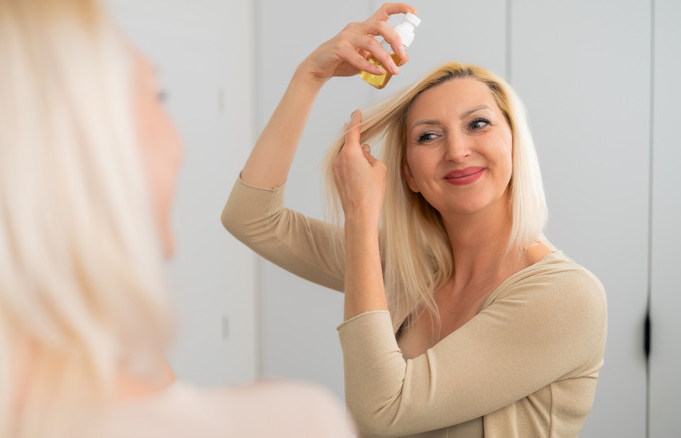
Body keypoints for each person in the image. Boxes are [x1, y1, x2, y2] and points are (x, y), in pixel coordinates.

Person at [0, 1, 353, 437]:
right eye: (156, 97)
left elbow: (391, 410)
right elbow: (253, 218)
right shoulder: (293, 420)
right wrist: (309, 78)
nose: (179, 142)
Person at [221, 3, 607, 437]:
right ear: (409, 174)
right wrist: (310, 76)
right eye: (428, 136)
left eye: (478, 124)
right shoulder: (405, 268)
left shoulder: (565, 295)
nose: (457, 150)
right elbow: (251, 218)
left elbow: (382, 411)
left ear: (515, 145)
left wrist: (362, 219)